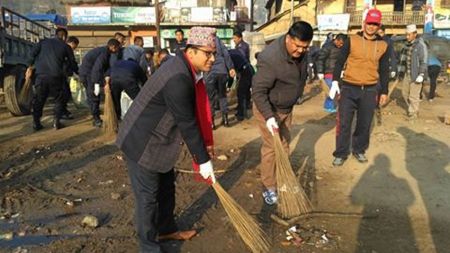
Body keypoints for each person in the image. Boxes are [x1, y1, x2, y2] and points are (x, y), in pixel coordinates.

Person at [116, 27, 217, 253]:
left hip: (160, 139)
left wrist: (202, 157)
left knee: (166, 188)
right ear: (190, 51)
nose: (212, 59)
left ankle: (166, 229)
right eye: (207, 53)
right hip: (143, 141)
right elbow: (187, 122)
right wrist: (203, 160)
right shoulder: (178, 77)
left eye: (214, 54)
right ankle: (149, 247)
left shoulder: (186, 69)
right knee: (148, 198)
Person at [252, 21, 313, 205]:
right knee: (271, 147)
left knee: (285, 144)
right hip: (268, 109)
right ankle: (269, 186)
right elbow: (258, 91)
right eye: (297, 46)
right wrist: (269, 117)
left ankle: (283, 178)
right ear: (288, 38)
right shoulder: (270, 59)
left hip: (286, 108)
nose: (300, 51)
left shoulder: (302, 53)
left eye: (305, 47)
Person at [330, 9, 389, 166]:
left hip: (370, 89)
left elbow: (384, 69)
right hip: (349, 88)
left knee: (364, 123)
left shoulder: (383, 45)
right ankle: (341, 153)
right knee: (344, 123)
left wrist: (384, 91)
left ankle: (359, 150)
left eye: (375, 24)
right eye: (369, 23)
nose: (371, 26)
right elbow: (340, 61)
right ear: (364, 23)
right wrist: (335, 81)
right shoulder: (351, 40)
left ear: (379, 26)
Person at [27, 28, 78, 130]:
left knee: (39, 100)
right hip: (56, 77)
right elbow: (72, 62)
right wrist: (78, 73)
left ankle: (36, 123)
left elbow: (31, 55)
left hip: (40, 76)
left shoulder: (43, 42)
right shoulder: (65, 47)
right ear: (64, 37)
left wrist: (30, 66)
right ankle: (56, 122)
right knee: (59, 99)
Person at [79, 39, 121, 127]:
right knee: (94, 96)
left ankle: (95, 115)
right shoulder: (104, 54)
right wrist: (97, 84)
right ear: (113, 47)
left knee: (93, 96)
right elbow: (97, 69)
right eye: (117, 48)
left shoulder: (105, 51)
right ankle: (96, 119)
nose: (118, 50)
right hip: (88, 75)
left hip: (89, 74)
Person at [398, 24, 428, 119]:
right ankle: (412, 108)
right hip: (407, 73)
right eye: (406, 34)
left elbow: (424, 60)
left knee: (413, 96)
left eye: (409, 34)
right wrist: (400, 73)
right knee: (404, 93)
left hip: (416, 74)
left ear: (415, 34)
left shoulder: (420, 45)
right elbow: (402, 60)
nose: (407, 37)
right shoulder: (406, 45)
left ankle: (413, 112)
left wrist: (421, 74)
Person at [205, 35, 236, 128]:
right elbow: (226, 54)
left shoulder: (204, 40)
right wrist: (231, 68)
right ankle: (226, 120)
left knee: (211, 98)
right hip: (222, 72)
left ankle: (211, 123)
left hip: (209, 72)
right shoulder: (219, 40)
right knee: (222, 96)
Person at [108, 47, 147, 120]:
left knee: (116, 101)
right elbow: (143, 79)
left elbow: (108, 73)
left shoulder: (117, 62)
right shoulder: (136, 65)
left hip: (114, 81)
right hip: (128, 81)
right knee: (138, 99)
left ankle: (117, 118)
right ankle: (142, 116)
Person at [316, 33, 346, 113]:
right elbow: (320, 59)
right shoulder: (327, 46)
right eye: (341, 43)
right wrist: (320, 72)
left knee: (337, 89)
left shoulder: (343, 49)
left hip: (338, 72)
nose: (341, 45)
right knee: (331, 89)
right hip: (328, 72)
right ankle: (328, 106)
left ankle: (331, 105)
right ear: (337, 40)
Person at [228, 49, 254, 121]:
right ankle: (244, 109)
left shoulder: (228, 57)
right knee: (245, 92)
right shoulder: (232, 52)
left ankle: (241, 114)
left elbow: (231, 75)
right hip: (249, 69)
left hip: (245, 72)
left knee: (241, 93)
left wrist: (228, 86)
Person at [61, 36, 80, 120]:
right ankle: (62, 112)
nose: (74, 49)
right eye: (75, 47)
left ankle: (63, 111)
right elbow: (72, 62)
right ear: (72, 43)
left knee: (63, 94)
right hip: (62, 75)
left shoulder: (60, 48)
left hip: (57, 74)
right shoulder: (67, 49)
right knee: (64, 94)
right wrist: (77, 72)